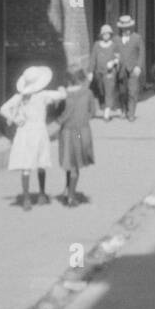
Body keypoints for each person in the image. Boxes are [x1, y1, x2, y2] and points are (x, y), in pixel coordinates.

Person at [1, 66, 66, 211]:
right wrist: (62, 89)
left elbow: (3, 109)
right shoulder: (43, 95)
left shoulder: (19, 97)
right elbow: (61, 95)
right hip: (39, 131)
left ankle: (26, 198)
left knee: (26, 165)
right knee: (41, 162)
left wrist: (15, 119)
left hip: (24, 132)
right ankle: (42, 193)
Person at [58, 67, 95, 206]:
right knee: (76, 160)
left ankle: (68, 189)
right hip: (80, 131)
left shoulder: (64, 94)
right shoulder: (88, 93)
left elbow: (58, 112)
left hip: (66, 132)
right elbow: (93, 111)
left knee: (69, 160)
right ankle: (71, 196)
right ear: (82, 79)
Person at [115, 14, 144, 121]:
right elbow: (113, 53)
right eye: (124, 28)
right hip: (121, 70)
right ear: (121, 28)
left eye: (128, 28)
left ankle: (131, 113)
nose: (126, 30)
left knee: (133, 91)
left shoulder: (137, 38)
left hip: (133, 69)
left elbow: (141, 53)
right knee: (122, 92)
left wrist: (139, 67)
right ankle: (123, 109)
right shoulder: (116, 39)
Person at [90, 24, 119, 121]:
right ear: (101, 35)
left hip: (110, 73)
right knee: (101, 90)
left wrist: (113, 62)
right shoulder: (96, 45)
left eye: (108, 34)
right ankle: (108, 106)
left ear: (110, 35)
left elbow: (118, 58)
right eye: (104, 34)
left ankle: (107, 113)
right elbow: (93, 59)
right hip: (99, 72)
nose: (106, 36)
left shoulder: (114, 45)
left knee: (109, 91)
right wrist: (90, 71)